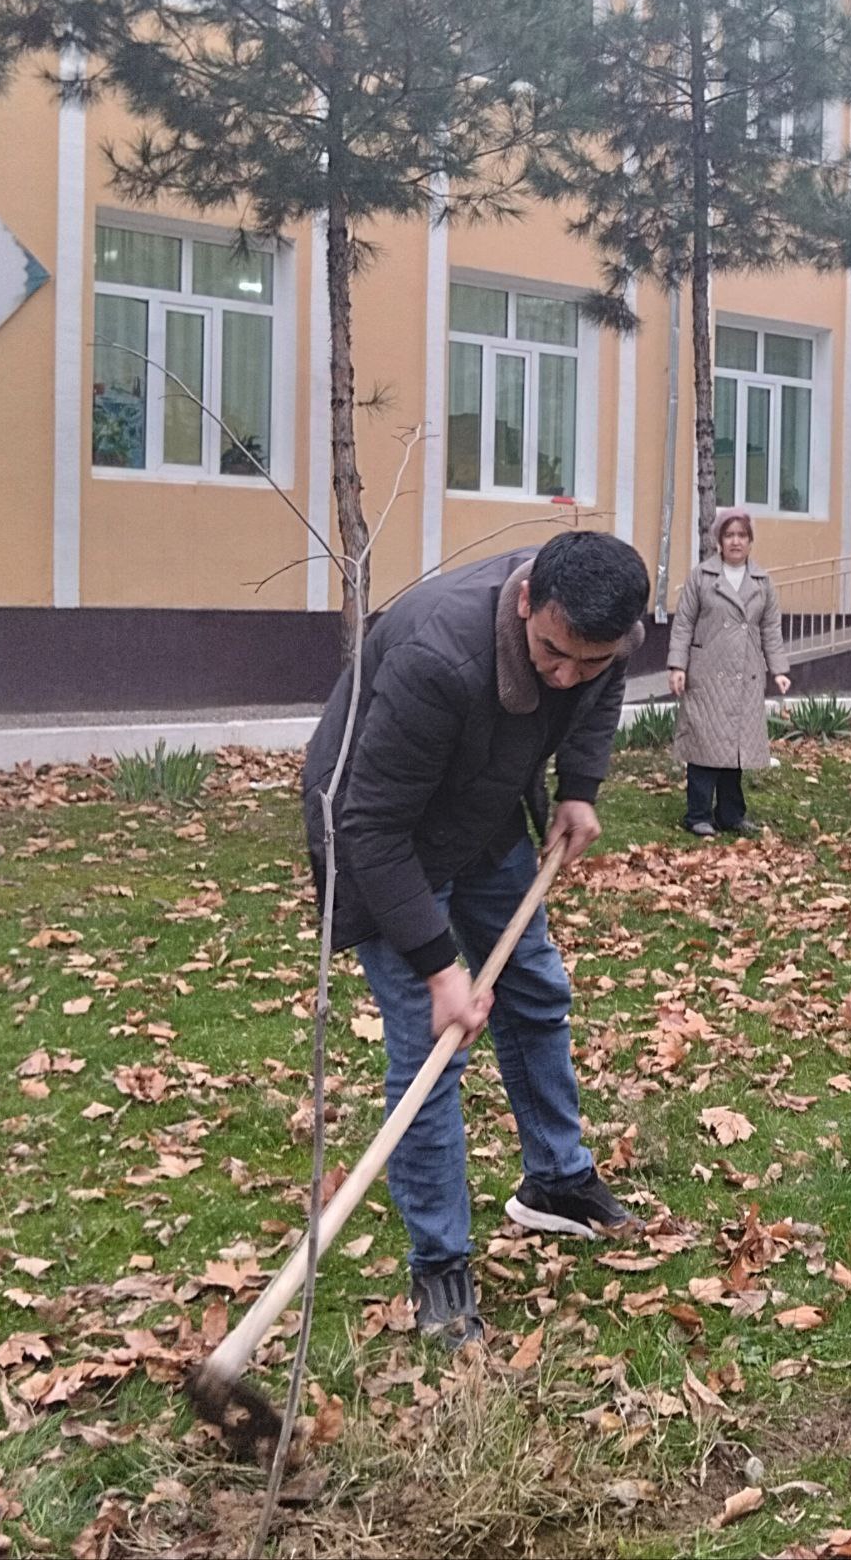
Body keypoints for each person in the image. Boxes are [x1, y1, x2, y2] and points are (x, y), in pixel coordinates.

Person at [302, 528, 654, 1348]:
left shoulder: (601, 635)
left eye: (590, 659)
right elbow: (370, 827)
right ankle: (439, 1261)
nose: (567, 674)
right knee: (434, 1054)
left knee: (534, 990)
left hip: (485, 813)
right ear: (527, 599)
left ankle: (556, 1181)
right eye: (553, 654)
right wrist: (436, 971)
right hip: (379, 847)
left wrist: (580, 789)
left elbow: (596, 696)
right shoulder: (439, 657)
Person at [667, 511, 792, 838]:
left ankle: (731, 815)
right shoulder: (702, 577)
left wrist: (778, 670)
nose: (736, 541)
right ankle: (697, 815)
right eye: (729, 535)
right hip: (707, 676)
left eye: (742, 535)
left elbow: (771, 629)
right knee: (704, 748)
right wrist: (677, 666)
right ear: (719, 541)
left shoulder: (763, 583)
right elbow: (683, 624)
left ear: (750, 541)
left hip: (745, 677)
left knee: (734, 753)